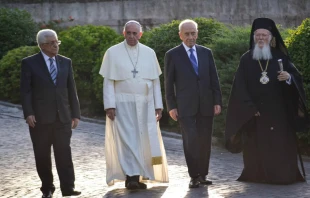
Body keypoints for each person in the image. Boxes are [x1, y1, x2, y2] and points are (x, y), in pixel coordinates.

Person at [225, 18, 309, 184]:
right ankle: (257, 176)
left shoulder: (280, 57)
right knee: (256, 146)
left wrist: (288, 78)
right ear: (254, 36)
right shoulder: (246, 59)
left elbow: (297, 79)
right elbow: (239, 87)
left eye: (264, 35)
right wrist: (249, 107)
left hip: (279, 112)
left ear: (271, 37)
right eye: (258, 35)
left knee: (279, 145)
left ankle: (282, 176)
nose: (261, 38)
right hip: (256, 112)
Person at [99, 20, 169, 190]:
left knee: (143, 140)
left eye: (135, 33)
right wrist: (109, 105)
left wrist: (158, 106)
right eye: (128, 33)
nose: (132, 36)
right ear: (123, 33)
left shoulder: (149, 52)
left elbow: (155, 81)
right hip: (122, 104)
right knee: (127, 140)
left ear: (140, 34)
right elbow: (108, 82)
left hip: (145, 104)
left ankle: (140, 176)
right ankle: (130, 177)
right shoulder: (112, 52)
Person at [20, 29, 81, 198]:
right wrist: (28, 113)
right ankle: (47, 188)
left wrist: (75, 114)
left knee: (64, 153)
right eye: (52, 43)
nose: (56, 45)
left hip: (63, 118)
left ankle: (68, 187)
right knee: (42, 155)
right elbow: (26, 91)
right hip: (39, 119)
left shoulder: (66, 62)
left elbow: (71, 89)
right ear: (42, 45)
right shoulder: (29, 63)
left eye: (57, 42)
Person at [164, 19, 222, 188]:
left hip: (206, 104)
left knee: (205, 140)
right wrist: (171, 106)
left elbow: (214, 79)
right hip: (184, 107)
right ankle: (194, 176)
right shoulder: (172, 55)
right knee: (191, 140)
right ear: (180, 35)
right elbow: (168, 83)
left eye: (193, 33)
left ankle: (203, 174)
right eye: (187, 34)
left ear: (197, 33)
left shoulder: (206, 52)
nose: (190, 37)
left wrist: (217, 101)